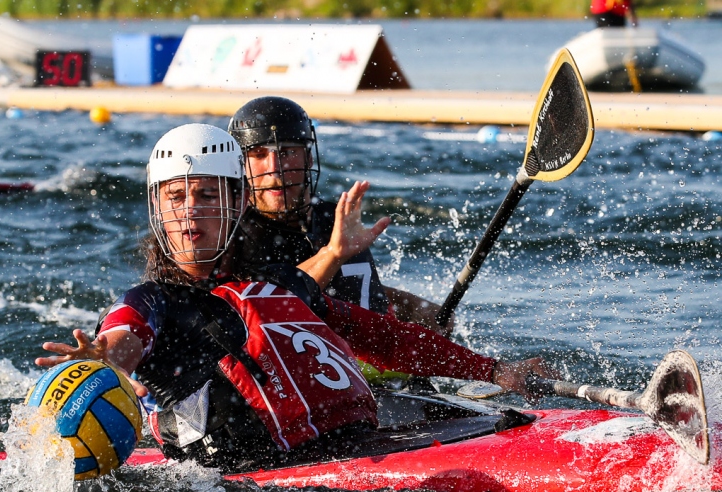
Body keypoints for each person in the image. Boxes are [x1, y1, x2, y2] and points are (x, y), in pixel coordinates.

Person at [36, 123, 556, 473]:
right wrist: (105, 358)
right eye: (176, 197)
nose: (190, 212)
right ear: (158, 208)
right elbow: (126, 336)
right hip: (251, 485)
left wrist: (494, 372)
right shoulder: (152, 301)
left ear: (237, 201)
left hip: (352, 448)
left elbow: (385, 339)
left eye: (207, 195)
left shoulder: (276, 285)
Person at [227, 96, 451, 336]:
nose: (275, 168)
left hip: (382, 363)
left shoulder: (336, 217)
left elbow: (352, 290)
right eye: (259, 155)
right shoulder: (234, 237)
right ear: (240, 166)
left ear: (309, 158)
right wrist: (333, 254)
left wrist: (415, 307)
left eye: (286, 152)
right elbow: (266, 307)